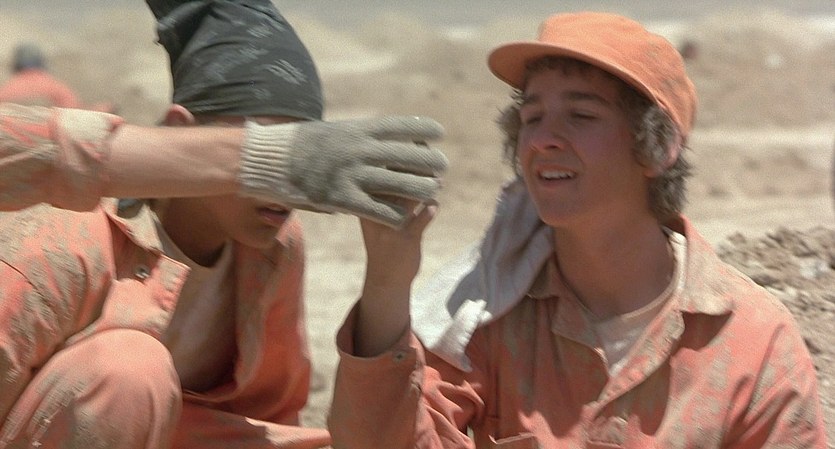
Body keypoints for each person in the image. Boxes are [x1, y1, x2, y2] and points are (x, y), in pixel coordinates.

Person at [328, 11, 828, 449]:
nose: (542, 140)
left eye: (581, 115)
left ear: (658, 147)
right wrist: (387, 282)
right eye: (532, 118)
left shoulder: (752, 343)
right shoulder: (488, 318)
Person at [0, 1, 446, 448]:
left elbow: (269, 410)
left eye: (307, 158)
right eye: (274, 153)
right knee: (127, 371)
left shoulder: (273, 248)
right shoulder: (67, 243)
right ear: (181, 129)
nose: (288, 188)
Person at [0, 42, 81, 108]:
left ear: (16, 64)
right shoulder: (58, 88)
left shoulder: (7, 90)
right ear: (41, 63)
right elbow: (75, 110)